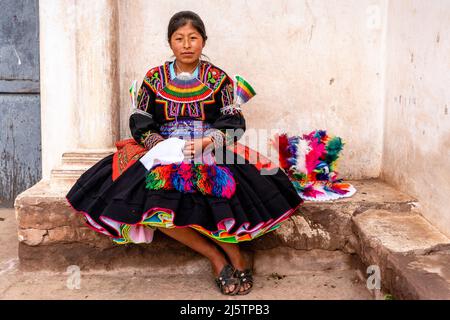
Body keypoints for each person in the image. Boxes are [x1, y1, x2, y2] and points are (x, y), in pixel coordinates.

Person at [66, 10, 303, 296]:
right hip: (164, 151)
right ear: (170, 42)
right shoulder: (154, 78)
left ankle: (238, 257)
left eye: (193, 38)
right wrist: (159, 145)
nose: (187, 44)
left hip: (209, 149)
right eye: (179, 38)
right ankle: (217, 259)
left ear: (204, 41)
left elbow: (233, 121)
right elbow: (141, 121)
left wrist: (205, 142)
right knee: (155, 207)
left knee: (213, 199)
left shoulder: (219, 79)